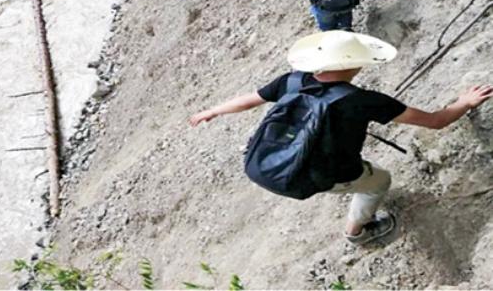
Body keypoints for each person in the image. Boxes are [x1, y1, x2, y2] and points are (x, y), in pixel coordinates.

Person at [188, 30, 492, 245]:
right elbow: (436, 121)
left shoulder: (291, 81)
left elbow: (249, 100)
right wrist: (464, 102)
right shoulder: (364, 101)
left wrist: (212, 111)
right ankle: (356, 233)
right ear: (351, 65)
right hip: (312, 176)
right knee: (379, 181)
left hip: (261, 163)